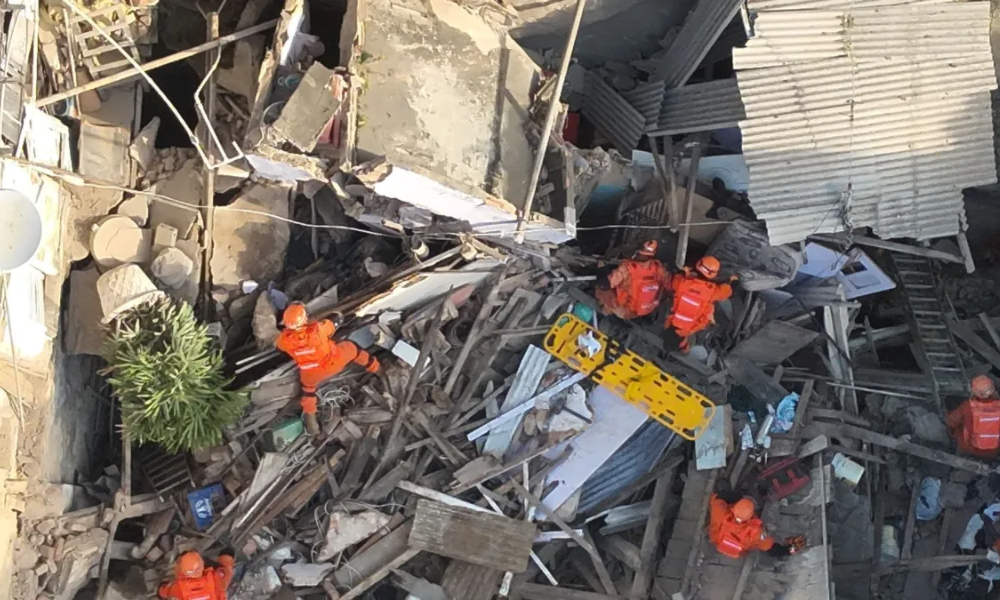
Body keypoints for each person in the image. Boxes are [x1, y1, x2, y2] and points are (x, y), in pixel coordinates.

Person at [275, 302, 380, 434]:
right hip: (332, 363)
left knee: (308, 392)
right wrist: (336, 317)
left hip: (310, 373)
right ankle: (378, 369)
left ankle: (311, 423)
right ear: (304, 318)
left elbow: (279, 348)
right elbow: (334, 323)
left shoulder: (284, 339)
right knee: (353, 348)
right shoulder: (318, 330)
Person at [664, 255, 734, 351]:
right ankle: (681, 348)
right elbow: (727, 291)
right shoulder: (713, 292)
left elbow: (675, 281)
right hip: (685, 327)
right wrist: (730, 280)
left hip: (676, 322)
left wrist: (687, 274)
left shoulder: (682, 282)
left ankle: (676, 347)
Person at [708, 494, 804, 559]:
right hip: (739, 551)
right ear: (750, 517)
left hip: (718, 541)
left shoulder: (720, 511)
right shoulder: (756, 534)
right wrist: (792, 549)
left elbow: (717, 497)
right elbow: (774, 550)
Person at [595, 240, 672, 320]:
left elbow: (605, 284)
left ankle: (607, 309)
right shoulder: (659, 268)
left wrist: (601, 270)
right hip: (646, 310)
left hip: (627, 311)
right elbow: (669, 286)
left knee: (602, 290)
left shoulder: (627, 269)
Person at [946, 375, 1000, 460]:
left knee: (956, 427)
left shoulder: (968, 406)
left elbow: (950, 422)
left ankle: (957, 454)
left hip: (971, 450)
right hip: (994, 452)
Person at [158, 552, 234, 600]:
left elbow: (167, 591)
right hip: (215, 586)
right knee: (226, 568)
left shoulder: (180, 588)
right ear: (202, 565)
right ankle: (227, 553)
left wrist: (160, 591)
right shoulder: (214, 580)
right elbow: (225, 574)